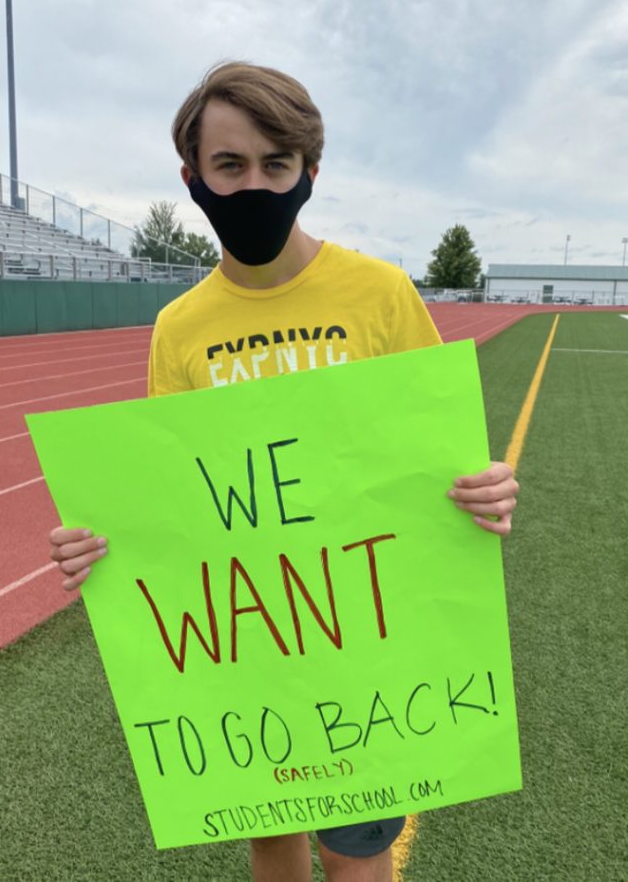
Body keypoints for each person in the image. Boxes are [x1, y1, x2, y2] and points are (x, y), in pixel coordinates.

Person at [49, 61, 519, 882]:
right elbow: (176, 497)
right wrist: (100, 541)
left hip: (367, 642)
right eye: (229, 167)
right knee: (271, 845)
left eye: (277, 164)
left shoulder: (378, 293)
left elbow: (439, 460)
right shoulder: (180, 327)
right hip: (252, 651)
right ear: (192, 180)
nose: (254, 185)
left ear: (310, 170)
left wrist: (483, 488)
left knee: (355, 853)